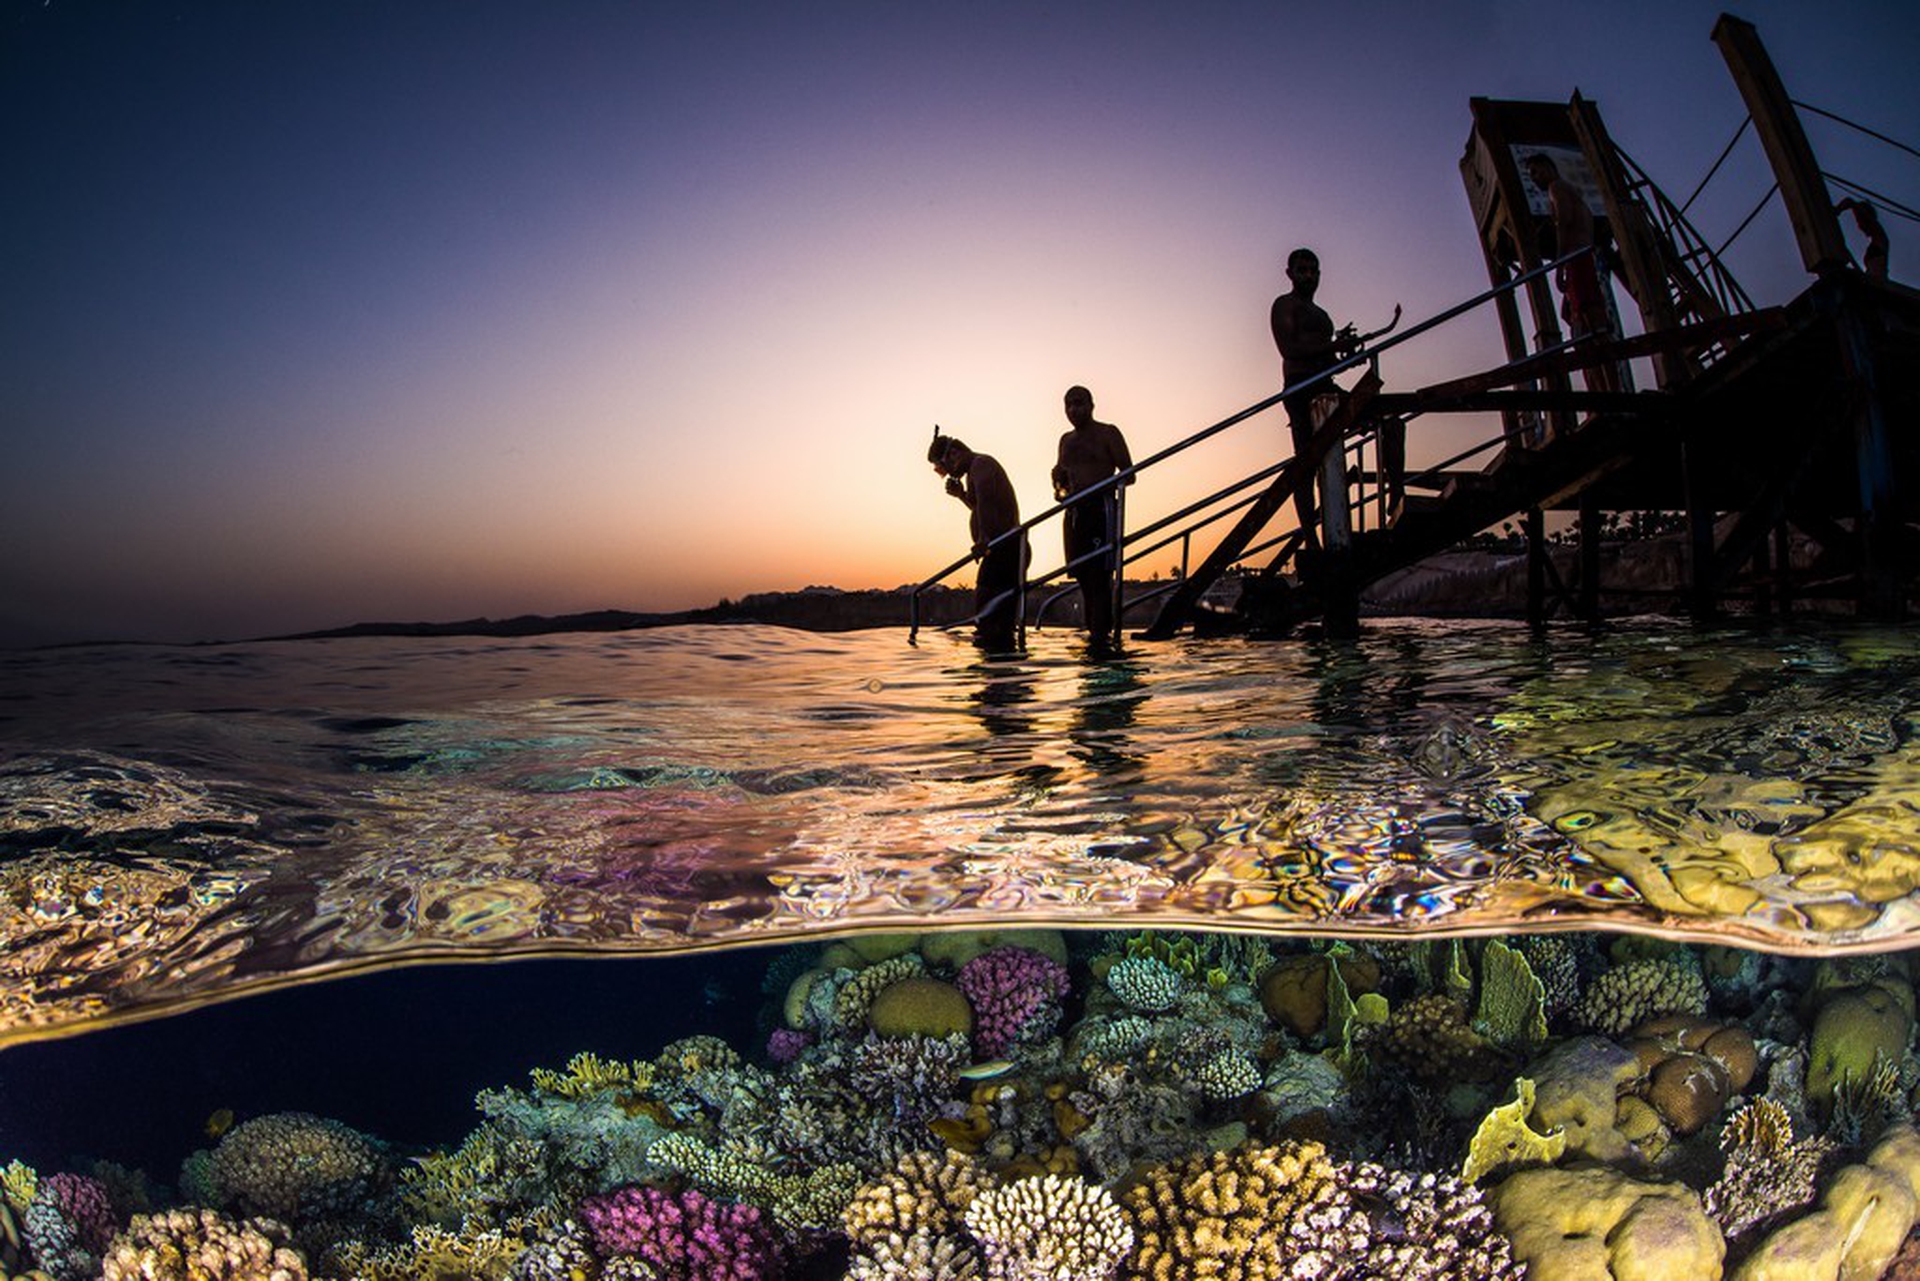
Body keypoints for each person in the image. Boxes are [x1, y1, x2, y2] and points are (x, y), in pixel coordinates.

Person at [1270, 248, 1360, 548]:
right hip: (1299, 389)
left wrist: (1346, 354)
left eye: (1313, 270)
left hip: (1327, 386)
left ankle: (1396, 495)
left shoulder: (1322, 315)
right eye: (1302, 270)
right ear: (1290, 273)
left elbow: (1324, 358)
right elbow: (1290, 350)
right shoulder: (1284, 304)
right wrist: (1333, 348)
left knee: (1387, 419)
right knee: (1306, 464)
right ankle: (1311, 537)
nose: (1308, 275)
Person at [1524, 153, 1619, 395]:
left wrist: (1559, 266)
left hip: (1576, 260)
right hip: (1579, 260)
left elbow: (1564, 223)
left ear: (1548, 166)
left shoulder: (1557, 188)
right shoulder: (1568, 191)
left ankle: (1608, 394)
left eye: (1535, 171)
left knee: (1591, 326)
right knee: (1579, 324)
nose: (1533, 178)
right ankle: (1603, 392)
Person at [929, 428, 1026, 651]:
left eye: (942, 468)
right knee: (994, 619)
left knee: (989, 618)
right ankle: (1000, 671)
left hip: (1005, 548)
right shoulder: (975, 470)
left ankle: (1000, 673)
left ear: (954, 454)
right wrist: (961, 495)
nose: (947, 474)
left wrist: (984, 540)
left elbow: (987, 504)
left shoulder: (982, 465)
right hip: (1000, 548)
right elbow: (980, 508)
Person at [1050, 385, 1133, 645]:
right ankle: (1093, 639)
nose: (1074, 409)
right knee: (1083, 578)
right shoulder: (1065, 440)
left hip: (1101, 508)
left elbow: (1129, 473)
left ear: (1091, 405)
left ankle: (1102, 638)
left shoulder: (1108, 433)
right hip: (1074, 513)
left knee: (1099, 577)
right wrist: (1058, 481)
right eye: (1068, 405)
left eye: (1079, 403)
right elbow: (1062, 478)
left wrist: (1096, 487)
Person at [1837, 197, 1890, 280]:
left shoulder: (1880, 237)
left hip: (1879, 285)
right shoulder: (1877, 241)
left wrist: (1837, 210)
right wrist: (1850, 257)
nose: (1859, 226)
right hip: (1872, 284)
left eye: (1859, 222)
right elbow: (1866, 275)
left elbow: (1850, 201)